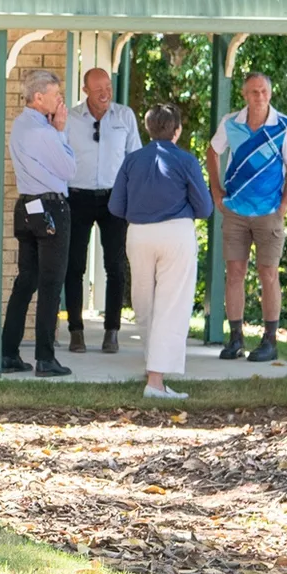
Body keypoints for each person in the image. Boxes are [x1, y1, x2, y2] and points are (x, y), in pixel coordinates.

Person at [110, 104, 212, 399]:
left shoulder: (132, 161)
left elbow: (116, 206)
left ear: (148, 129)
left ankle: (150, 365)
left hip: (138, 234)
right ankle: (156, 381)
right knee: (172, 305)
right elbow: (204, 208)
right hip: (175, 234)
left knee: (144, 301)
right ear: (177, 130)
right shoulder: (186, 161)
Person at [206, 71, 287, 363]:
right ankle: (235, 339)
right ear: (244, 95)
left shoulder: (284, 126)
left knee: (268, 274)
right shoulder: (230, 123)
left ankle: (269, 341)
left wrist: (283, 206)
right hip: (235, 211)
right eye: (253, 92)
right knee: (234, 273)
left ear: (270, 94)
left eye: (263, 91)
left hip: (268, 213)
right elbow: (212, 152)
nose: (259, 97)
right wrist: (215, 190)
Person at [0, 68, 75, 377]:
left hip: (26, 207)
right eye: (56, 95)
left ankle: (8, 352)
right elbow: (69, 169)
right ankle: (45, 357)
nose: (61, 101)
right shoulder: (44, 132)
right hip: (51, 209)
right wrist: (60, 130)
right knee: (50, 283)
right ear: (39, 97)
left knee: (26, 281)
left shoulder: (19, 126)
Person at [64, 67, 141, 354]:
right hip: (78, 197)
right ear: (85, 91)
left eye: (107, 86)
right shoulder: (71, 118)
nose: (104, 92)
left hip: (114, 199)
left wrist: (132, 198)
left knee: (116, 266)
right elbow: (60, 155)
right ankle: (75, 331)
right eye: (98, 89)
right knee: (74, 267)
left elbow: (135, 159)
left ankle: (112, 331)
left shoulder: (125, 116)